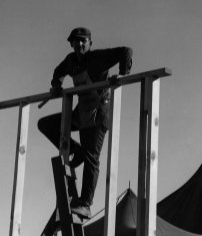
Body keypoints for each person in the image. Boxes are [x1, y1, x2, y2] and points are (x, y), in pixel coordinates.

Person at [38, 27, 133, 218]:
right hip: (81, 111)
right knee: (46, 124)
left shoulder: (97, 58)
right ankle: (77, 151)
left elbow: (126, 51)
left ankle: (86, 205)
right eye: (76, 41)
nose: (80, 44)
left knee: (91, 157)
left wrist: (123, 74)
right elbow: (59, 71)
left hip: (98, 112)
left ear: (90, 43)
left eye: (83, 41)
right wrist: (56, 85)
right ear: (71, 44)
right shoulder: (71, 61)